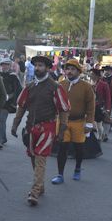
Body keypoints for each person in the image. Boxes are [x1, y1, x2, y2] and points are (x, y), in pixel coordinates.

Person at [11, 56, 69, 205]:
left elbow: (63, 110)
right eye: (36, 65)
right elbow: (22, 106)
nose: (37, 68)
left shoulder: (55, 87)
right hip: (31, 126)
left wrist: (62, 130)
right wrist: (15, 124)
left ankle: (35, 191)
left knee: (40, 158)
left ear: (48, 68)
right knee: (33, 157)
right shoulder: (29, 86)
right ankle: (41, 185)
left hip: (48, 127)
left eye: (41, 65)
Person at [52, 59, 95, 183]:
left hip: (79, 122)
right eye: (67, 69)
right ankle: (60, 175)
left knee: (78, 148)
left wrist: (89, 123)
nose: (69, 72)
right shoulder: (60, 84)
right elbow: (55, 102)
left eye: (72, 69)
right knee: (62, 148)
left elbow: (91, 107)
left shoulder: (86, 87)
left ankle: (77, 169)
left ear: (78, 71)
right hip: (63, 122)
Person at [0, 57, 23, 149]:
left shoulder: (13, 76)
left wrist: (10, 97)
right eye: (2, 64)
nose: (4, 66)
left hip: (7, 103)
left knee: (2, 120)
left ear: (9, 65)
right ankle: (3, 138)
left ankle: (0, 141)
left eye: (6, 64)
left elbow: (19, 90)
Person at [90, 69, 111, 142]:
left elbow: (108, 97)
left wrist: (108, 108)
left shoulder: (104, 84)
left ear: (97, 76)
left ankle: (100, 136)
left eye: (92, 74)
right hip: (90, 106)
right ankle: (98, 136)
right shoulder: (89, 83)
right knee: (93, 123)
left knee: (98, 123)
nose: (91, 75)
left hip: (99, 106)